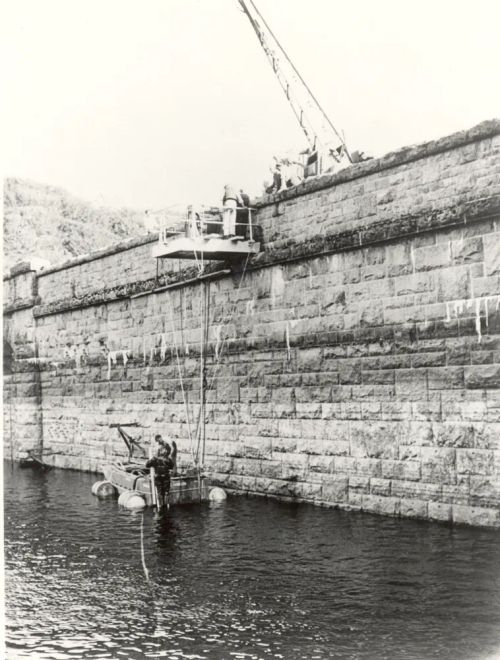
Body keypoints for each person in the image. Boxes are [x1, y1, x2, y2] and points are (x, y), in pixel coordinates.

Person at [146, 435, 177, 507]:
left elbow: (147, 465)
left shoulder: (154, 459)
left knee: (160, 492)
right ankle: (167, 506)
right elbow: (172, 466)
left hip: (158, 477)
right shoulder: (167, 459)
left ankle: (160, 507)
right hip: (166, 477)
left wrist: (153, 459)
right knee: (166, 492)